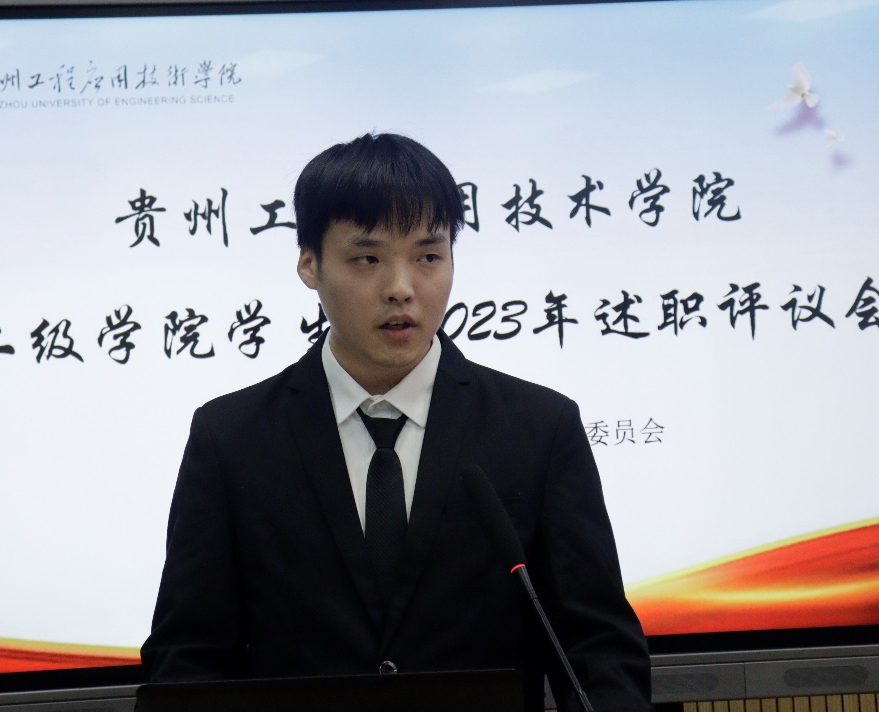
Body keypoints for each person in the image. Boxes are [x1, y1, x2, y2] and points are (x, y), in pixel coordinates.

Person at [141, 133, 651, 712]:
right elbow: (188, 659)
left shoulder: (538, 429)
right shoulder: (231, 439)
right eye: (367, 259)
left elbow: (597, 649)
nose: (401, 289)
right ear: (309, 264)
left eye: (428, 257)